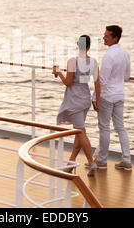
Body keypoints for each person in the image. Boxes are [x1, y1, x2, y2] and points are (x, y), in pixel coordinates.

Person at [53, 35, 100, 176]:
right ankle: (71, 162)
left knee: (80, 132)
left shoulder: (73, 61)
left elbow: (68, 82)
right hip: (85, 97)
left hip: (74, 99)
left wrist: (59, 73)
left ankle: (92, 162)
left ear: (78, 45)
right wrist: (96, 99)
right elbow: (97, 83)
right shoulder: (93, 61)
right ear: (89, 46)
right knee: (78, 132)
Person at [92, 25, 132, 171]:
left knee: (104, 128)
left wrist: (94, 97)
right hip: (120, 94)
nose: (104, 37)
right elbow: (127, 76)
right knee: (120, 127)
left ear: (115, 38)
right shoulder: (125, 53)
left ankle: (102, 161)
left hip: (107, 96)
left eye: (107, 36)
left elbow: (102, 80)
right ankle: (126, 160)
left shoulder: (109, 56)